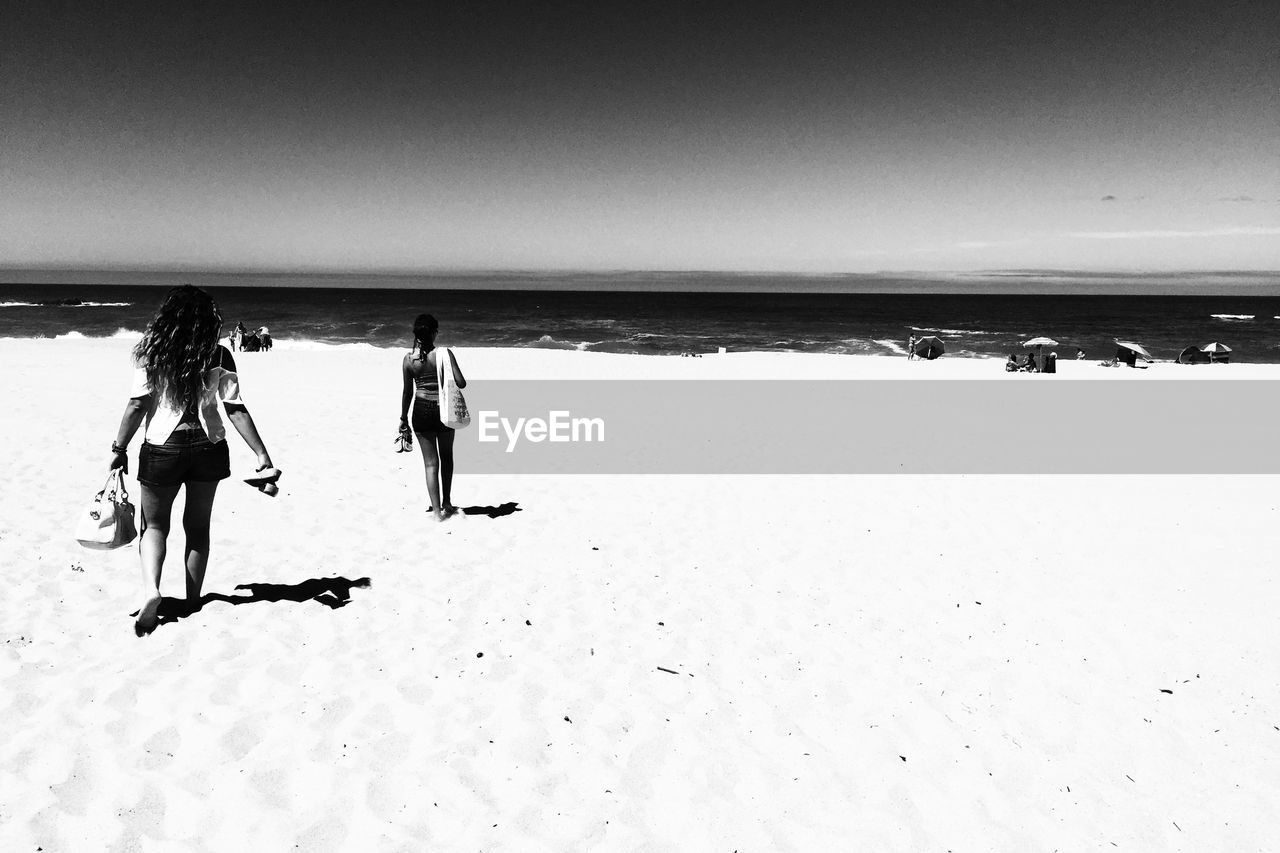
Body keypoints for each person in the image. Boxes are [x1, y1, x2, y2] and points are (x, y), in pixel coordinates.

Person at [109, 285, 278, 636]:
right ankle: (192, 601)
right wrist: (261, 453)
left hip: (162, 447)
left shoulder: (153, 354)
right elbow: (235, 409)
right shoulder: (219, 355)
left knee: (154, 527)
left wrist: (119, 448)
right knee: (198, 527)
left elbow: (137, 405)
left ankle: (152, 591)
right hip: (208, 446)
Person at [400, 313, 466, 522]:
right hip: (443, 411)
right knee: (446, 458)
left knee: (430, 464)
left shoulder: (408, 360)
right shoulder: (445, 353)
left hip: (420, 411)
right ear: (435, 332)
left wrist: (403, 417)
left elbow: (407, 393)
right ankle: (447, 502)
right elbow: (461, 382)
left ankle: (437, 513)